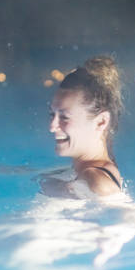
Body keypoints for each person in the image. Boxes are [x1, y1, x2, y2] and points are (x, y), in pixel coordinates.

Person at [41, 55, 124, 198]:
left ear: (101, 122)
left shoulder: (97, 183)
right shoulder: (86, 174)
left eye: (64, 117)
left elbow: (130, 216)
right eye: (52, 115)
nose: (52, 126)